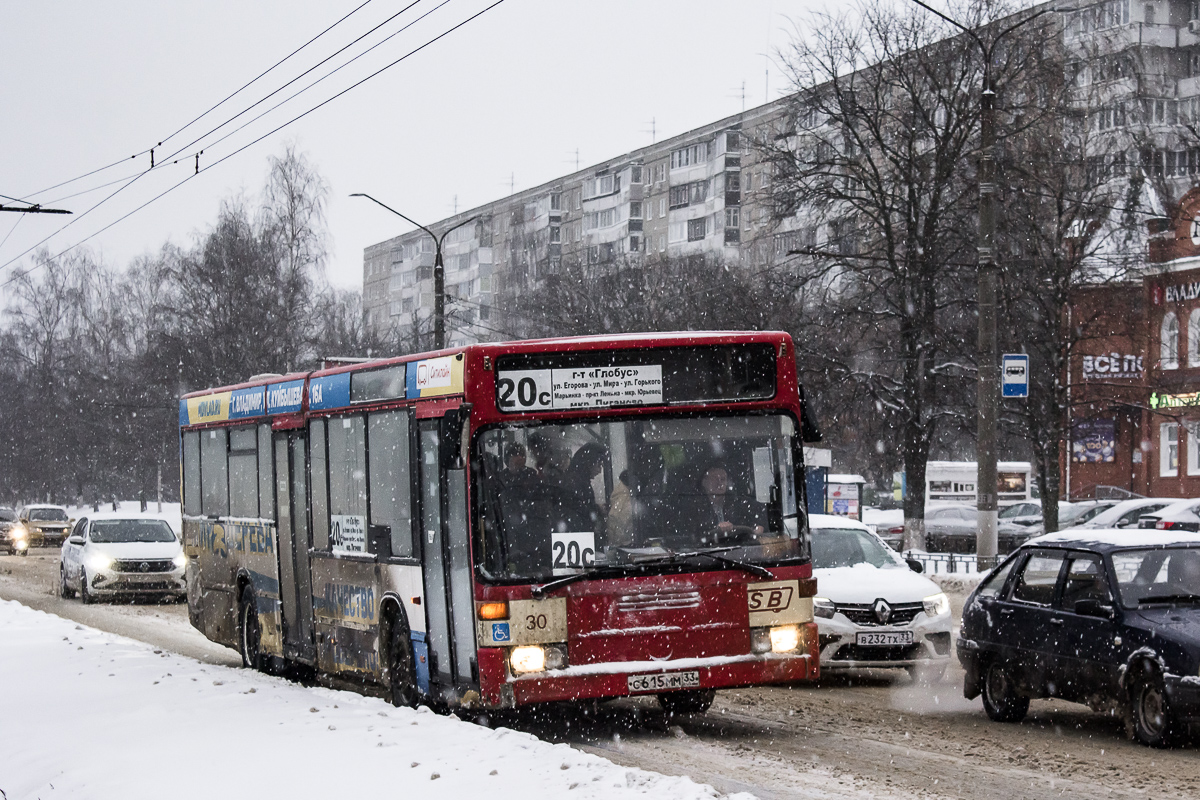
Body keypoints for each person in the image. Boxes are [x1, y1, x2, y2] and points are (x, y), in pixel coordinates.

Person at [688, 463, 766, 538]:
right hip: (708, 549)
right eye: (714, 479)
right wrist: (716, 528)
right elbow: (694, 536)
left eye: (722, 479)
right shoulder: (694, 507)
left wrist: (759, 526)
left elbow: (760, 512)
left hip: (737, 548)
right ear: (704, 482)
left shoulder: (738, 503)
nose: (719, 483)